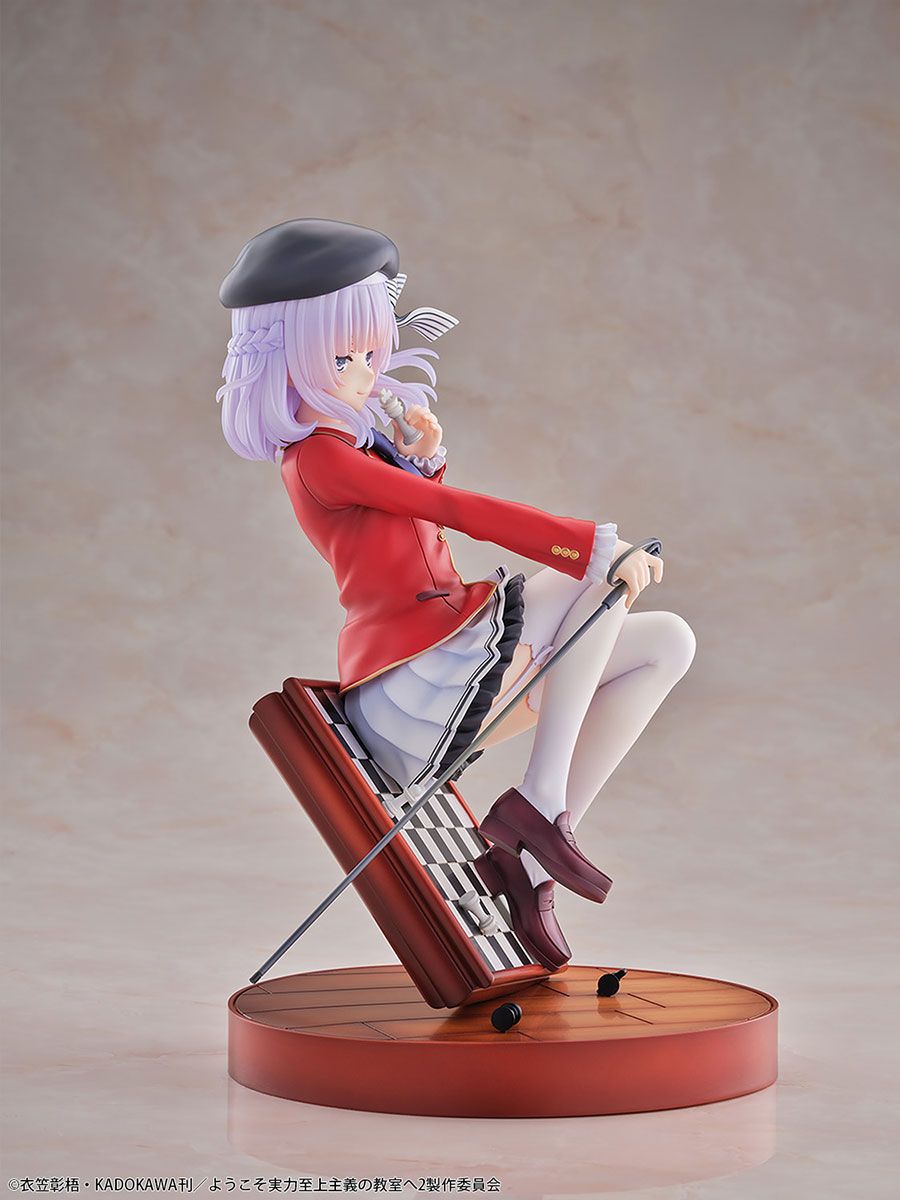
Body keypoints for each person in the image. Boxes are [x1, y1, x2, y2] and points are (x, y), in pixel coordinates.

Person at [217, 219, 696, 971]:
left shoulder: (349, 450)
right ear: (287, 356)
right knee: (591, 577)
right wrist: (592, 546)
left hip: (453, 649)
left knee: (668, 642)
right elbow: (449, 512)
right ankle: (538, 805)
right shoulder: (317, 457)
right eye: (342, 357)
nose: (364, 372)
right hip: (412, 679)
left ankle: (531, 856)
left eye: (370, 353)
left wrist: (421, 457)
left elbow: (406, 518)